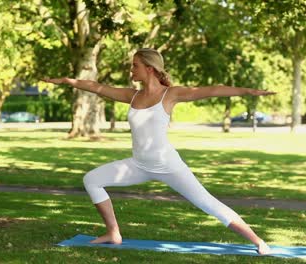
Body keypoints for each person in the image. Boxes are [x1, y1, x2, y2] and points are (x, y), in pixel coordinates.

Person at [43, 48, 276, 255]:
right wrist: (67, 81)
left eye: (135, 65)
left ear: (149, 68)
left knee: (208, 203)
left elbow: (213, 90)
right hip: (138, 164)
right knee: (92, 179)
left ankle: (257, 241)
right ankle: (113, 233)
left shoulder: (170, 94)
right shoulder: (132, 95)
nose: (131, 70)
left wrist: (248, 91)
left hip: (168, 165)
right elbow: (96, 87)